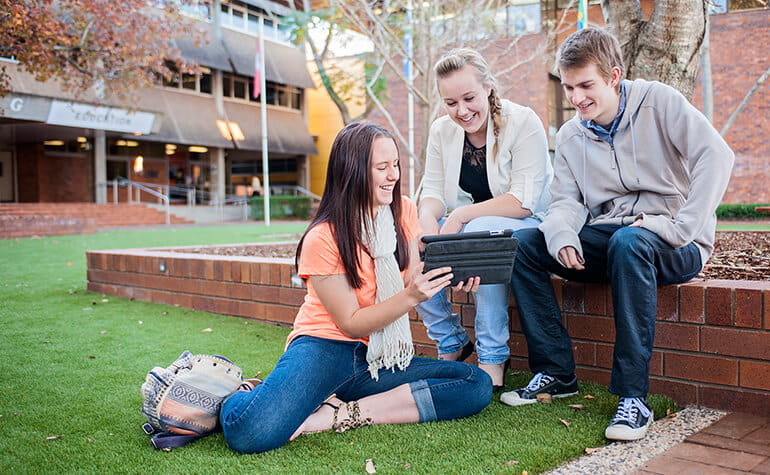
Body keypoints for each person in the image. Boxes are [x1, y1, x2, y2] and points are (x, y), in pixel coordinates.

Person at [501, 28, 735, 442]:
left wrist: (681, 227)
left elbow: (715, 155)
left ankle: (633, 398)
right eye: (569, 87)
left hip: (674, 242)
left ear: (613, 75)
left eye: (586, 85)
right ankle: (556, 372)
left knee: (630, 242)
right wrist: (563, 237)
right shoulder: (573, 133)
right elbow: (566, 203)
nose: (576, 98)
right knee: (524, 245)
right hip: (613, 239)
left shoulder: (658, 102)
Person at [220, 122, 492, 454]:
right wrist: (411, 296)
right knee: (250, 431)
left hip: (379, 355)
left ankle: (340, 413)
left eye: (395, 165)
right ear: (352, 171)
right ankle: (241, 394)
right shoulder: (322, 238)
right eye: (382, 167)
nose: (393, 175)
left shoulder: (401, 209)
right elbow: (350, 322)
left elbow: (411, 278)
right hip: (324, 348)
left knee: (474, 384)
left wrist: (453, 277)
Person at [416, 48, 553, 390]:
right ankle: (452, 342)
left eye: (469, 98)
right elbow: (431, 192)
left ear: (488, 87)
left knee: (481, 233)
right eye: (450, 103)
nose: (461, 111)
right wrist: (427, 229)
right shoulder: (441, 131)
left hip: (532, 223)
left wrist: (461, 216)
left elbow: (523, 201)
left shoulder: (523, 121)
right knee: (408, 239)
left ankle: (493, 358)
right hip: (471, 226)